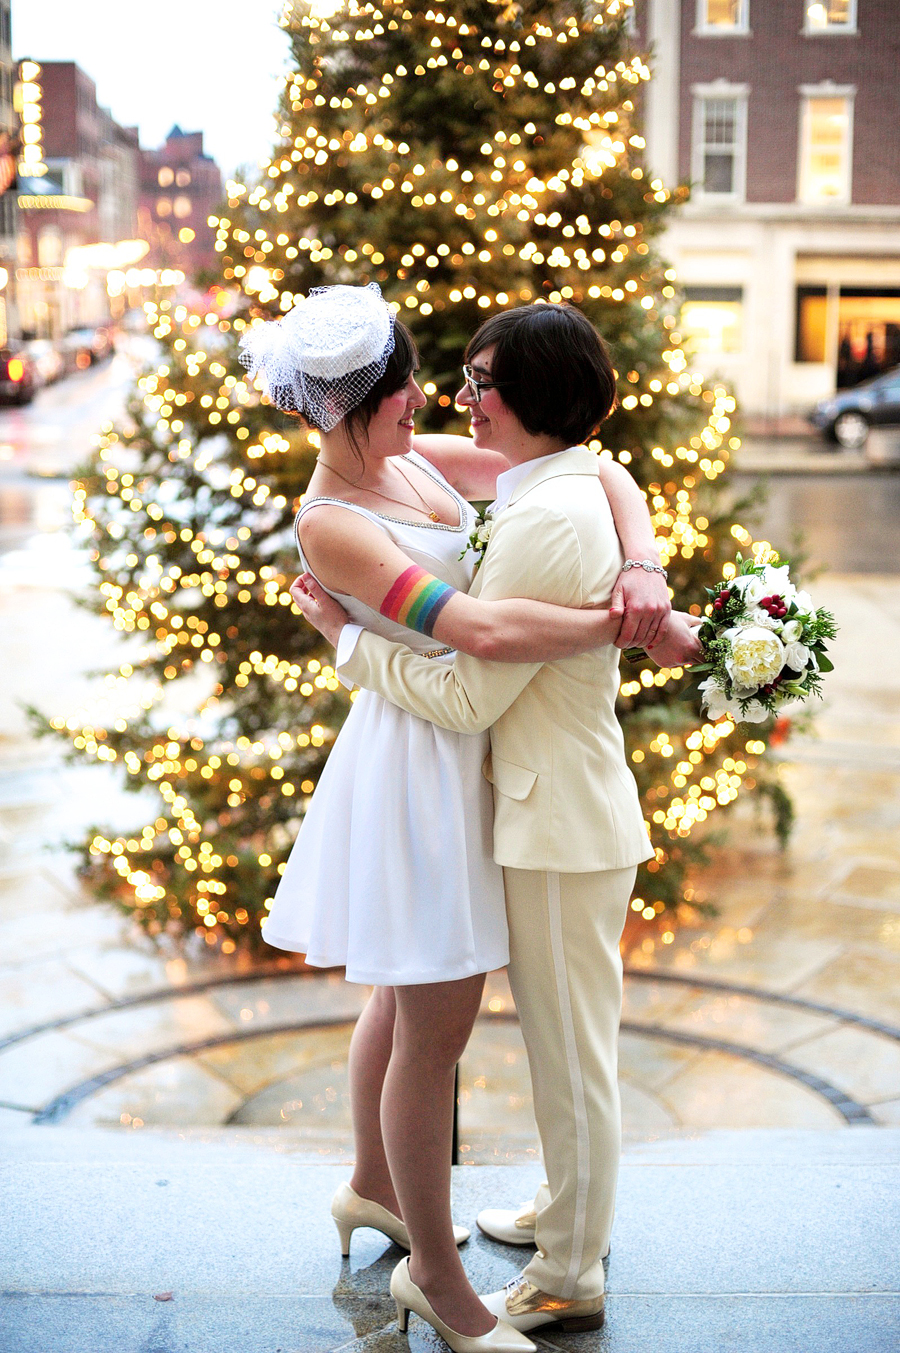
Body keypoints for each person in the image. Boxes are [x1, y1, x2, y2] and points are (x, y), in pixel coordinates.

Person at [240, 285, 692, 1352]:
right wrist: (632, 628)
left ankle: (372, 1189)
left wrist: (642, 568)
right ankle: (438, 1283)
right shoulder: (334, 526)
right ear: (339, 410)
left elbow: (601, 464)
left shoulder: (414, 460)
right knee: (433, 1029)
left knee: (403, 1010)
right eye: (397, 387)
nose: (423, 397)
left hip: (470, 751)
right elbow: (480, 633)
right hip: (418, 766)